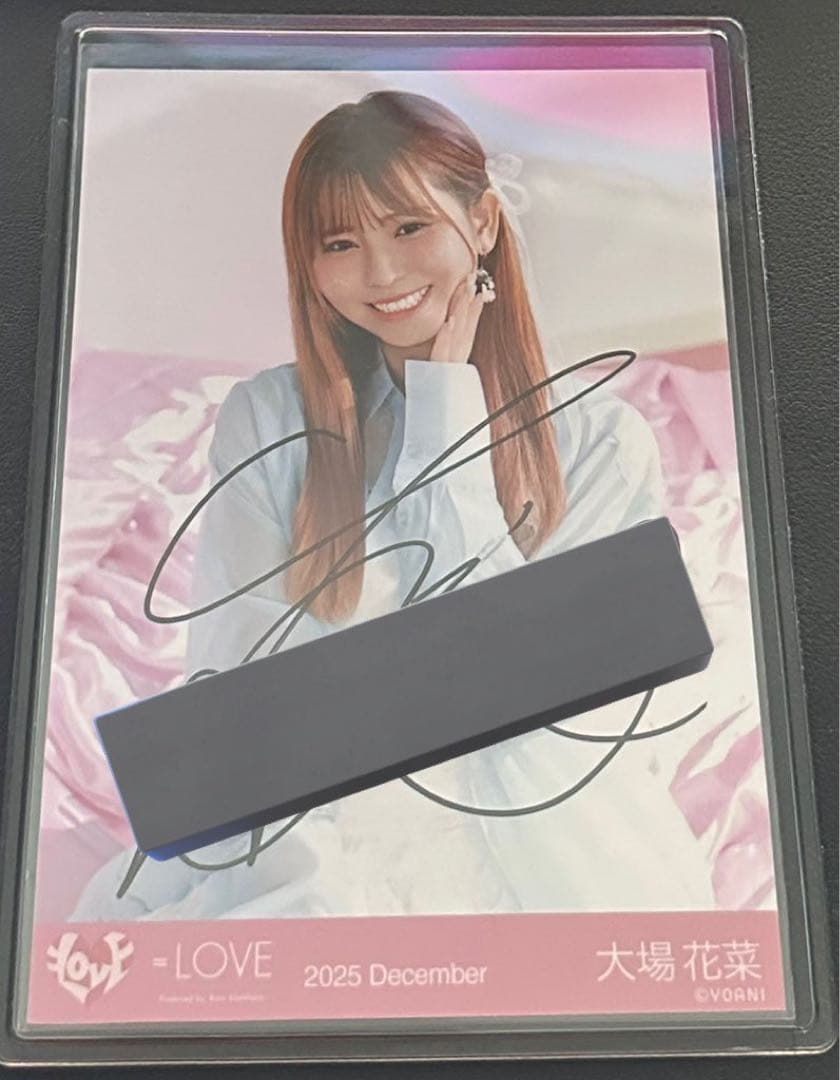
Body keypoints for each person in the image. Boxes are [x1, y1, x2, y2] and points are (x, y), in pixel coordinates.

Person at [73, 90, 713, 921]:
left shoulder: (598, 441)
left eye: (409, 227)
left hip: (529, 813)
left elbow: (531, 701)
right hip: (311, 806)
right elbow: (238, 681)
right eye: (340, 243)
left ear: (481, 223)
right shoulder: (270, 421)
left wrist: (445, 412)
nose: (381, 274)